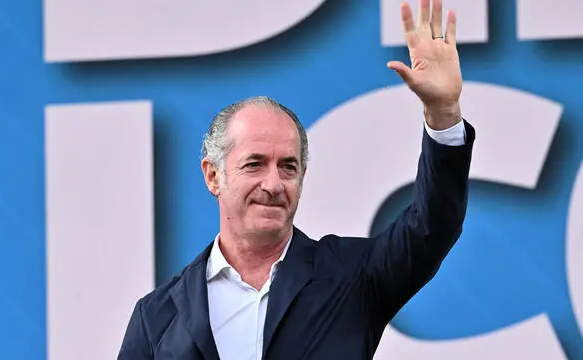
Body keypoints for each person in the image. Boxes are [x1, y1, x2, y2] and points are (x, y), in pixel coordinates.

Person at [118, 0, 474, 358]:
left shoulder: (352, 277)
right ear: (213, 175)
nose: (273, 185)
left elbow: (433, 226)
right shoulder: (156, 317)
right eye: (255, 164)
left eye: (287, 167)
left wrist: (443, 115)